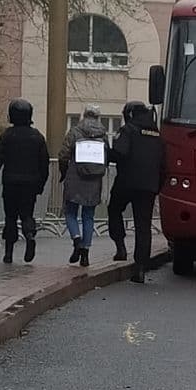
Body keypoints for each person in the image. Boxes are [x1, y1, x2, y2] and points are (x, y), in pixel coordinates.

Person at [0, 99, 50, 264]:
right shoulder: (37, 137)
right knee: (27, 214)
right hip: (30, 184)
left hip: (10, 182)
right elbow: (44, 163)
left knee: (10, 217)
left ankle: (8, 253)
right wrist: (41, 184)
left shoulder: (7, 135)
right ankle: (29, 235)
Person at [109, 102, 166, 283]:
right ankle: (140, 268)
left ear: (130, 114)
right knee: (143, 226)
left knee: (114, 209)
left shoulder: (128, 130)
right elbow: (164, 165)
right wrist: (157, 186)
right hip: (149, 187)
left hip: (126, 182)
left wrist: (106, 153)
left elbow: (119, 154)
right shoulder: (157, 135)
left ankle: (120, 247)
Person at [59, 105, 109, 268]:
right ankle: (85, 252)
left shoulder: (75, 131)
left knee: (70, 212)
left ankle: (76, 239)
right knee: (89, 216)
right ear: (98, 117)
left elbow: (63, 154)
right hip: (94, 180)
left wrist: (63, 171)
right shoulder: (103, 135)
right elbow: (107, 156)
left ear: (84, 115)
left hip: (75, 176)